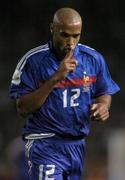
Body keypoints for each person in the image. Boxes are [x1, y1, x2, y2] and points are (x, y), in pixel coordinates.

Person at [9, 7, 120, 180]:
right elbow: (22, 108)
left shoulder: (92, 58)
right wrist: (55, 78)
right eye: (65, 35)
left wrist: (103, 105)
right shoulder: (33, 61)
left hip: (77, 145)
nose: (71, 42)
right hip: (45, 143)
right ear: (52, 28)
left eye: (76, 36)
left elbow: (104, 90)